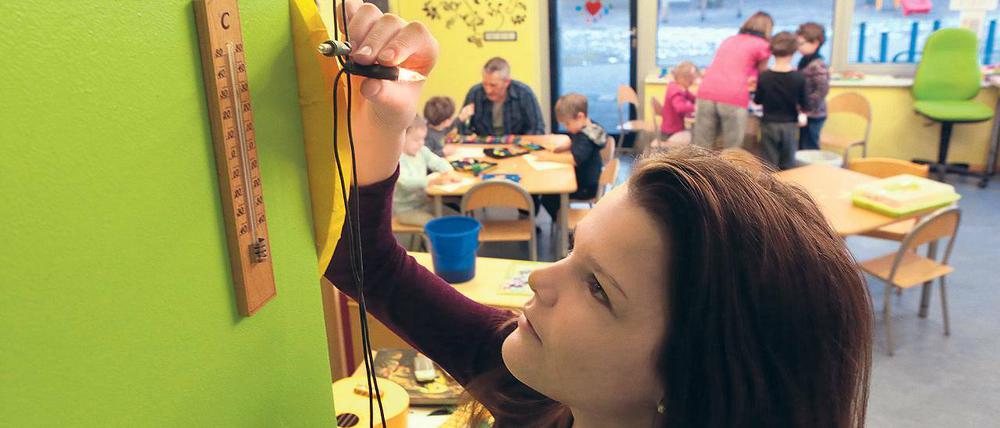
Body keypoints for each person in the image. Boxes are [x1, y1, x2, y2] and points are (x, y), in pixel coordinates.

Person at [328, 2, 873, 427]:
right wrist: (387, 116)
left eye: (598, 288)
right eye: (572, 253)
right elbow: (364, 263)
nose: (539, 278)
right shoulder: (531, 379)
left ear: (695, 380)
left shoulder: (541, 369)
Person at [692, 11, 772, 150]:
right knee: (731, 149)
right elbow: (762, 75)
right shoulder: (763, 45)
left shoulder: (729, 40)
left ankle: (696, 172)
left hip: (706, 92)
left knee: (701, 147)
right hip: (733, 97)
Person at [536, 93, 607, 221]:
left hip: (586, 187)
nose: (567, 128)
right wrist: (561, 148)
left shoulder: (586, 137)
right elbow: (573, 141)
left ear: (580, 116)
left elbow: (573, 159)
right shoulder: (589, 127)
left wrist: (547, 157)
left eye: (567, 124)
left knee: (548, 197)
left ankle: (564, 227)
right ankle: (562, 222)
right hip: (585, 180)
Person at [754, 32, 810, 170]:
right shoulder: (799, 77)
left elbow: (758, 100)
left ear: (772, 51)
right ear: (794, 52)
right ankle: (786, 191)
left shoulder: (764, 76)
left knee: (768, 165)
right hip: (789, 125)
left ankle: (768, 191)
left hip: (769, 124)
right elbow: (805, 105)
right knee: (788, 164)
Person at [393, 115, 459, 226]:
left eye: (423, 139)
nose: (421, 143)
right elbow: (404, 183)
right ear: (401, 138)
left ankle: (437, 241)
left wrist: (449, 172)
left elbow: (438, 162)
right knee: (435, 225)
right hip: (405, 210)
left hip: (424, 203)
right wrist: (430, 181)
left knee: (455, 217)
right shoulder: (397, 159)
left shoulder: (422, 151)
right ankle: (432, 242)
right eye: (416, 140)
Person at [459, 57, 545, 136]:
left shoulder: (524, 93)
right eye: (485, 84)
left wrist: (522, 145)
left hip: (517, 147)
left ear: (506, 82)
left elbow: (537, 128)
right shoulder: (475, 93)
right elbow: (462, 126)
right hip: (483, 146)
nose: (488, 90)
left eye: (493, 85)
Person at [796, 22, 830, 151]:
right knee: (802, 147)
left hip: (814, 114)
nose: (798, 47)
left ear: (815, 43)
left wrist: (806, 105)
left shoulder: (817, 64)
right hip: (807, 113)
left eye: (801, 43)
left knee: (809, 148)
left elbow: (822, 90)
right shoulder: (805, 60)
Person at [659, 61, 698, 140]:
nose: (692, 83)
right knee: (696, 138)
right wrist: (696, 107)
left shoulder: (678, 87)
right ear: (682, 78)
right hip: (671, 132)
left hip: (673, 130)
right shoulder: (675, 90)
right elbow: (680, 107)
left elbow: (691, 97)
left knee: (695, 133)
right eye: (690, 82)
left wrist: (700, 99)